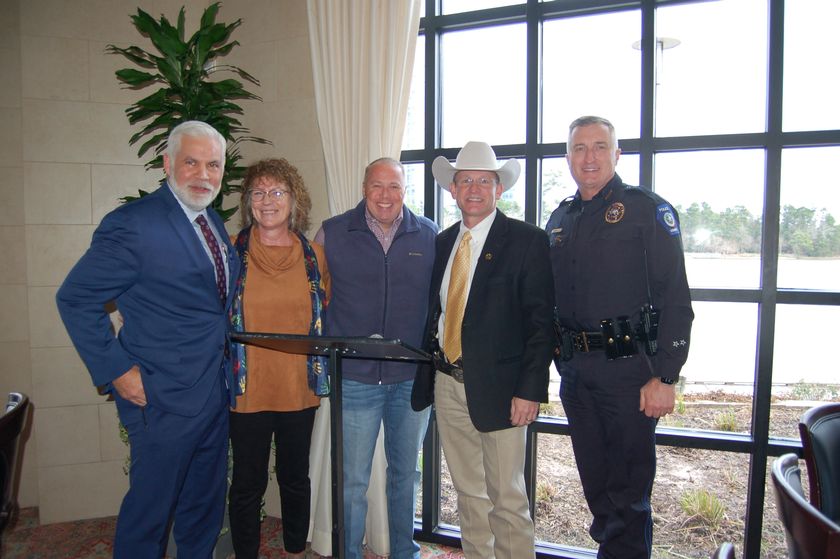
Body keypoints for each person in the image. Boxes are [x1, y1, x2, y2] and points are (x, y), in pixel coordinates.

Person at [56, 120, 240, 557]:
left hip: (212, 395)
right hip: (160, 399)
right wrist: (118, 371)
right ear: (167, 164)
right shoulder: (133, 224)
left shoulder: (210, 220)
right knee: (149, 518)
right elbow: (75, 298)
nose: (203, 174)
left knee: (203, 511)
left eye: (213, 164)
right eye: (191, 162)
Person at [546, 115, 694, 559]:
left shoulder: (647, 210)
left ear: (617, 154)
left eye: (599, 146)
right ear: (568, 157)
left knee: (629, 496)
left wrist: (666, 377)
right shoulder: (560, 218)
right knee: (597, 490)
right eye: (579, 148)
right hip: (577, 375)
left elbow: (676, 299)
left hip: (630, 374)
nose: (589, 157)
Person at [412, 141, 555, 559]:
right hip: (447, 383)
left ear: (498, 189)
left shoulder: (528, 241)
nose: (474, 188)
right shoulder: (443, 244)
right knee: (469, 495)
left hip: (504, 390)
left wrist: (529, 390)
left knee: (507, 497)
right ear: (452, 190)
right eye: (465, 180)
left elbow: (541, 324)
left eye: (484, 181)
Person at [316, 157, 437, 559]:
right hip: (355, 378)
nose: (386, 196)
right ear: (363, 188)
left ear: (406, 190)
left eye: (395, 187)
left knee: (407, 476)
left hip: (410, 380)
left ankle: (405, 552)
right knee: (352, 481)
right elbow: (310, 299)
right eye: (377, 187)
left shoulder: (430, 236)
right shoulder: (332, 233)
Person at [227, 158, 330, 559]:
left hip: (297, 391)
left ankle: (293, 550)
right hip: (246, 390)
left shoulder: (314, 257)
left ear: (294, 200)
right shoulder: (230, 253)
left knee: (294, 478)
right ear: (248, 201)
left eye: (277, 192)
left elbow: (323, 307)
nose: (267, 201)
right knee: (247, 483)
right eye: (258, 192)